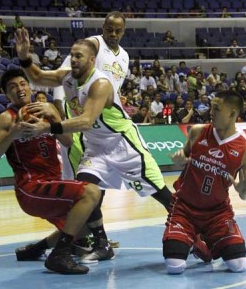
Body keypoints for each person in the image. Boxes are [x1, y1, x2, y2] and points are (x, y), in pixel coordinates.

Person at [14, 26, 174, 263]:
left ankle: (192, 229)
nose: (74, 59)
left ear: (92, 59)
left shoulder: (100, 84)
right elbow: (37, 77)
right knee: (86, 191)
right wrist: (25, 56)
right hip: (96, 147)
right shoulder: (67, 77)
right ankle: (100, 244)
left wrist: (48, 127)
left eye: (79, 56)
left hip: (123, 144)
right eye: (72, 55)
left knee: (161, 194)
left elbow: (86, 121)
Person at [0, 68, 103, 275]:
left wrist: (55, 117)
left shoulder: (44, 110)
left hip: (52, 182)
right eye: (12, 87)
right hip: (30, 188)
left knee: (82, 227)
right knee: (92, 192)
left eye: (22, 84)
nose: (19, 89)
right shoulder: (6, 118)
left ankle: (36, 249)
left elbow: (67, 142)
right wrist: (11, 134)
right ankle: (59, 255)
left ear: (29, 87)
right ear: (6, 94)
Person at [163, 90, 246, 274]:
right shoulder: (198, 132)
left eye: (216, 109)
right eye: (211, 107)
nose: (210, 112)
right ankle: (195, 241)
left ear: (233, 113)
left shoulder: (245, 150)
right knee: (175, 266)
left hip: (217, 213)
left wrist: (243, 190)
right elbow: (184, 156)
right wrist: (179, 159)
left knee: (238, 265)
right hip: (185, 208)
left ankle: (206, 242)